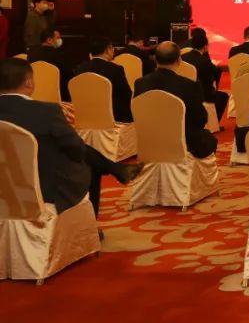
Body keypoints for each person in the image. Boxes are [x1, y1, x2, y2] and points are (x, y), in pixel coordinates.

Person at [0, 58, 143, 220]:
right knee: (88, 163)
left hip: (5, 184)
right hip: (44, 187)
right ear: (29, 83)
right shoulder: (47, 111)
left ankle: (117, 169)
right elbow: (77, 150)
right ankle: (90, 225)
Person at [134, 42, 218, 159]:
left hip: (150, 139)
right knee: (209, 138)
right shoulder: (189, 85)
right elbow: (201, 119)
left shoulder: (140, 83)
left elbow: (137, 113)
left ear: (155, 60)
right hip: (183, 142)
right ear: (179, 60)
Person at [74, 36, 133, 122]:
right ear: (107, 50)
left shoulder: (80, 68)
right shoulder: (115, 69)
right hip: (112, 115)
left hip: (87, 113)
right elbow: (126, 95)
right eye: (112, 48)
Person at [182, 31, 230, 118]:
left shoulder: (183, 57)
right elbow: (209, 80)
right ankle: (213, 122)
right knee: (223, 97)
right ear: (205, 46)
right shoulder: (204, 61)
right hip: (201, 94)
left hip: (183, 92)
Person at [27, 28, 73, 102]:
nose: (60, 40)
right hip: (56, 94)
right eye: (58, 38)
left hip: (34, 92)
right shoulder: (58, 54)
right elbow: (68, 73)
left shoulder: (32, 53)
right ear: (49, 40)